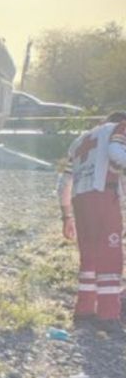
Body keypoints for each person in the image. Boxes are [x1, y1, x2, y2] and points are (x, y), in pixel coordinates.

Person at [58, 110, 126, 329]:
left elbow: (63, 182)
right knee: (111, 256)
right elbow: (116, 153)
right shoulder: (119, 128)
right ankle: (108, 315)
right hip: (104, 195)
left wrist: (66, 215)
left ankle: (84, 310)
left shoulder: (80, 141)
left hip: (80, 199)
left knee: (89, 257)